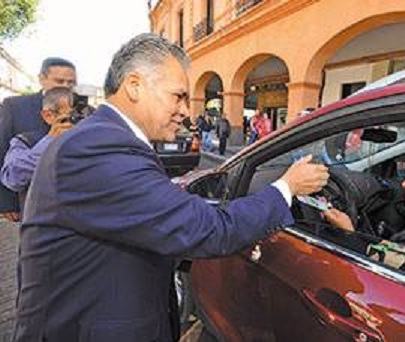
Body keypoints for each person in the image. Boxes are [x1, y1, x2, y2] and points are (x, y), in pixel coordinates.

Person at [12, 33, 329, 342]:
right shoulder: (99, 147)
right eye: (178, 96)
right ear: (134, 85)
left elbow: (153, 214)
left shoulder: (104, 139)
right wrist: (287, 187)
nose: (186, 111)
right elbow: (207, 230)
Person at [0, 57, 76, 223]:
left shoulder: (84, 110)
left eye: (71, 82)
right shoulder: (15, 106)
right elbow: (2, 149)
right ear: (41, 79)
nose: (65, 86)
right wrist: (6, 203)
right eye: (59, 81)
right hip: (29, 201)